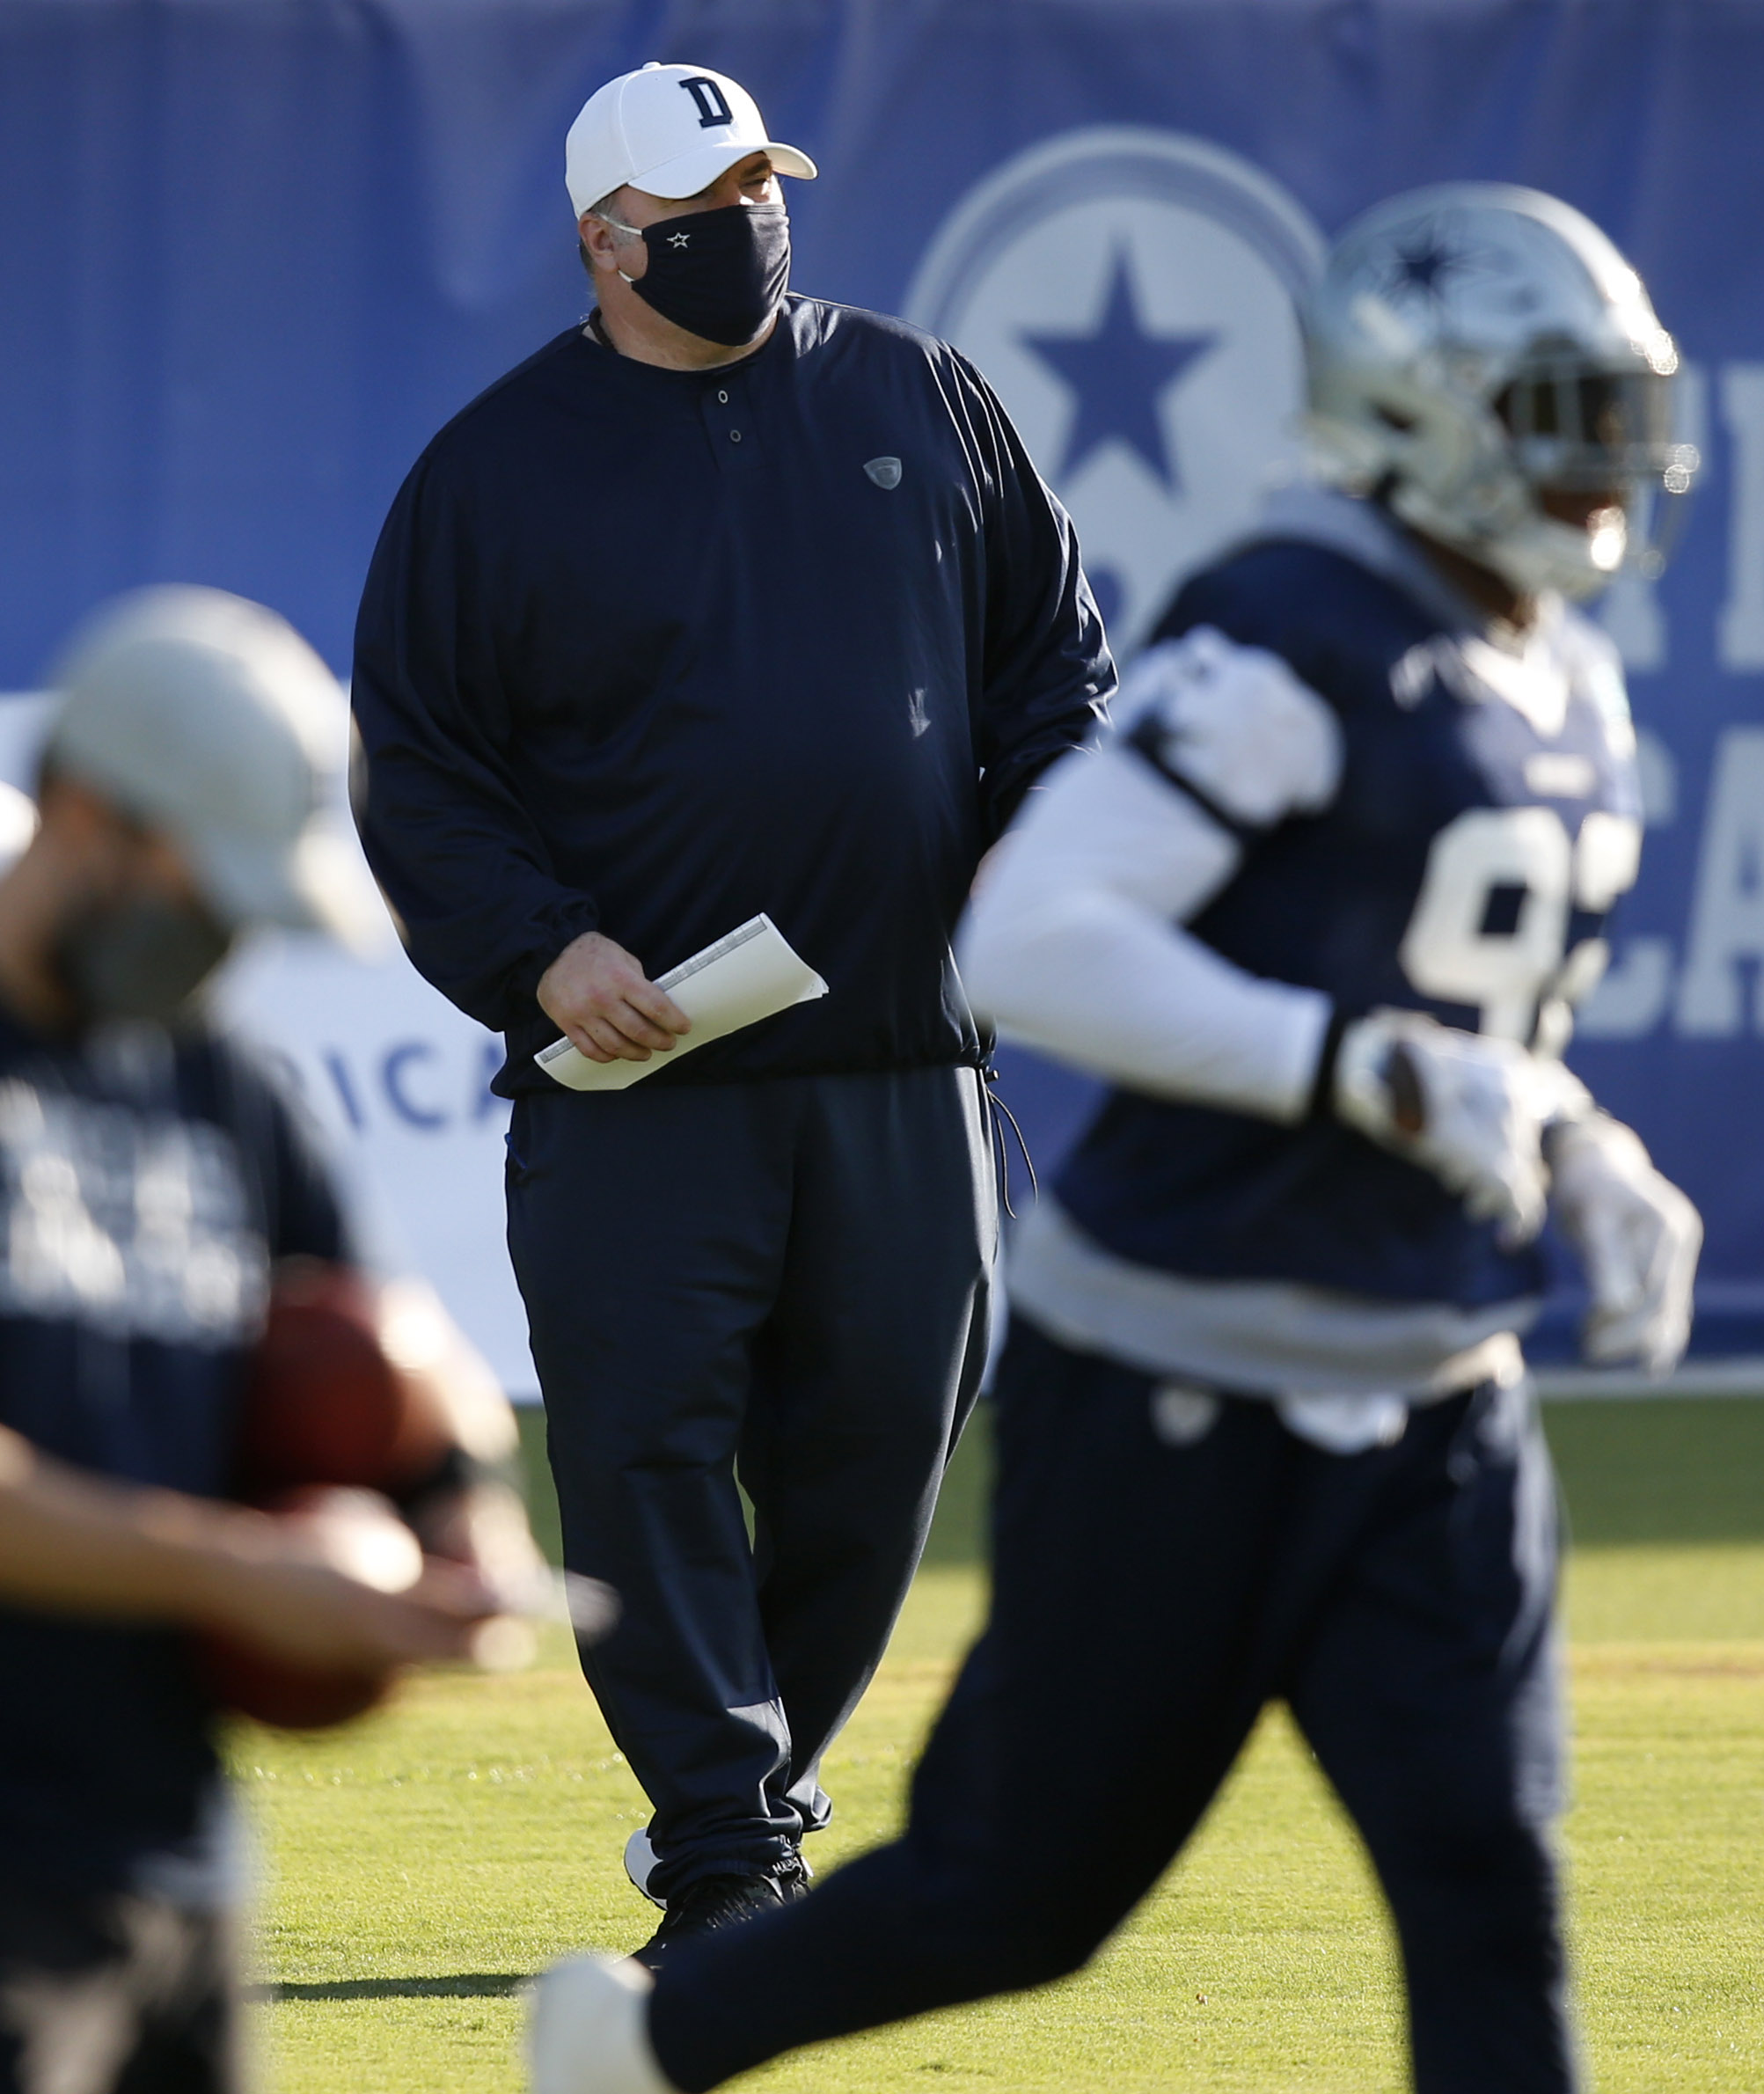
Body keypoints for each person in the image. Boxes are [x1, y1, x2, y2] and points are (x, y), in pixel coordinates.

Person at [521, 183, 1703, 2094]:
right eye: (1557, 413)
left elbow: (1460, 1025)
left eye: (1615, 414)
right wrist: (1369, 1074)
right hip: (1186, 1370)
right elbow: (1039, 936)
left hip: (1429, 1383)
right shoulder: (1298, 628)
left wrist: (1569, 1141)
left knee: (1490, 1880)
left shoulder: (1565, 677)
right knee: (1018, 1890)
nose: (1603, 470)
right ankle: (646, 2047)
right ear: (1423, 413)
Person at [350, 60, 1112, 1965]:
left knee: (881, 1443)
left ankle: (747, 1790)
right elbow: (421, 766)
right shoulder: (496, 467)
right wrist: (539, 950)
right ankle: (723, 1847)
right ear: (610, 245)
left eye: (763, 189)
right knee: (645, 1445)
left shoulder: (917, 396)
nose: (746, 227)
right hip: (640, 1067)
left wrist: (1035, 859)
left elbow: (1052, 673)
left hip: (903, 1053)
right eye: (701, 208)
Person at [0, 586, 538, 2094]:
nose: (226, 931)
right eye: (203, 879)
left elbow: (386, 1349)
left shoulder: (219, 1080)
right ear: (89, 813)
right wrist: (241, 1572)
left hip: (175, 1866)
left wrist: (457, 1518)